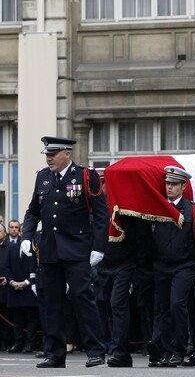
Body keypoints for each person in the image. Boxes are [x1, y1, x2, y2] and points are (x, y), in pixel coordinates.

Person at [20, 136, 109, 368]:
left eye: (53, 154)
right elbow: (33, 212)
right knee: (52, 303)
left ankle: (95, 350)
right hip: (50, 250)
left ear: (67, 154)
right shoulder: (42, 177)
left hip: (77, 249)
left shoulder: (85, 176)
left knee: (83, 299)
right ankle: (55, 354)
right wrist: (26, 237)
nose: (49, 158)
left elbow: (102, 215)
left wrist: (98, 247)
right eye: (47, 155)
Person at [146, 166, 195, 367]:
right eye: (167, 184)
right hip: (161, 266)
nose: (169, 188)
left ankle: (178, 349)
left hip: (184, 265)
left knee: (177, 305)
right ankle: (165, 351)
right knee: (163, 308)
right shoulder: (157, 208)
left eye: (174, 184)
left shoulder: (193, 210)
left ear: (183, 186)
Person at [95, 168, 143, 367]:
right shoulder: (94, 207)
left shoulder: (123, 206)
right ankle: (114, 348)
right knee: (107, 308)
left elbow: (137, 237)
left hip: (124, 264)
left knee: (118, 306)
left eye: (103, 183)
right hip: (103, 264)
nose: (100, 187)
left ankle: (121, 351)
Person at [5, 229, 38, 353]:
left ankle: (30, 343)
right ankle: (18, 342)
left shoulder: (35, 247)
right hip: (14, 288)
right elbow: (7, 267)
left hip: (29, 288)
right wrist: (12, 282)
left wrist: (26, 282)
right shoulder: (12, 248)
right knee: (17, 319)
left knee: (31, 318)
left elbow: (37, 267)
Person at [0, 224, 13, 351]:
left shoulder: (10, 247)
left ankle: (5, 342)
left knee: (6, 318)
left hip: (5, 288)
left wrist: (7, 279)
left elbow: (11, 266)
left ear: (4, 233)